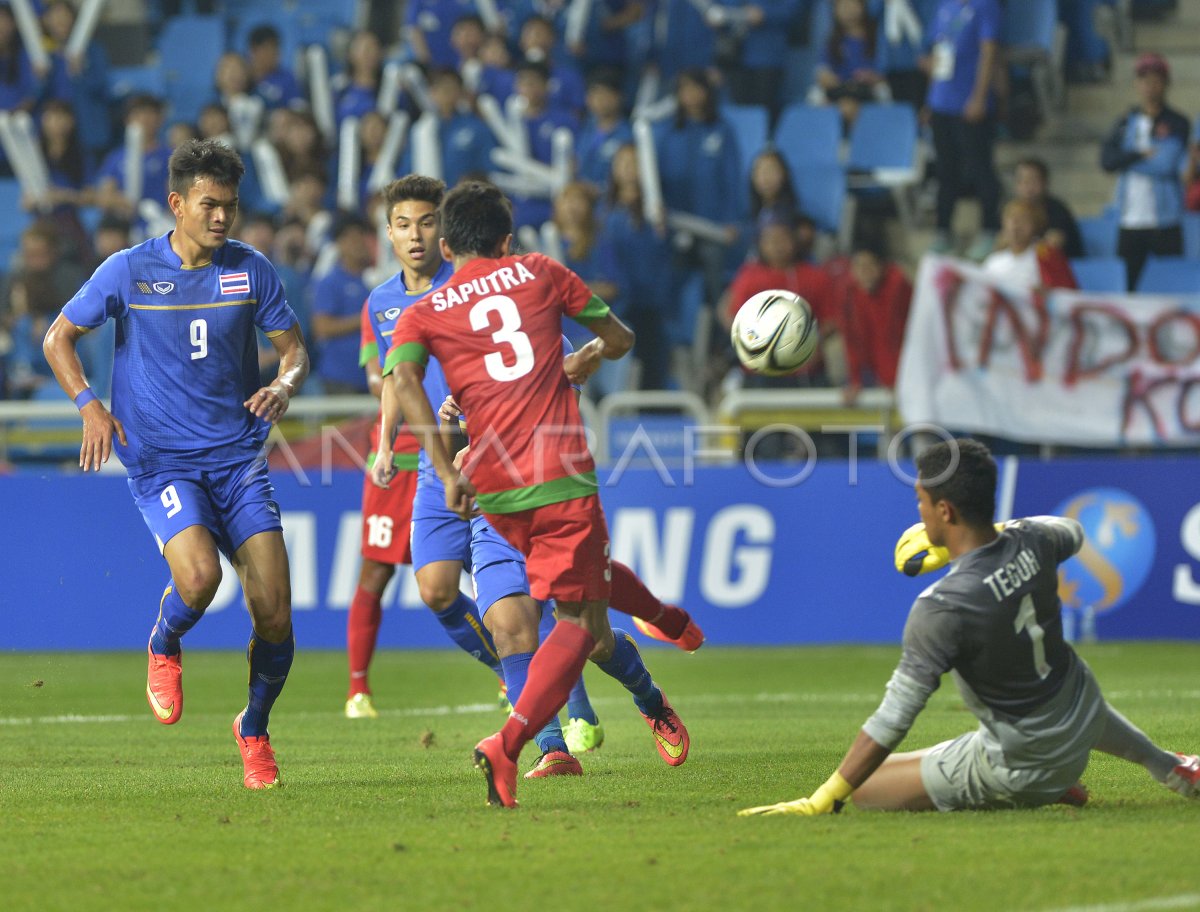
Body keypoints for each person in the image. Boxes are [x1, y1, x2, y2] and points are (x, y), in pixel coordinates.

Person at [372, 181, 695, 806]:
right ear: (508, 240)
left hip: (522, 478)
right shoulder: (538, 273)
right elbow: (618, 339)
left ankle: (651, 697)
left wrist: (445, 465)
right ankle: (548, 748)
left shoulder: (430, 312)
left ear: (444, 242)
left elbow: (407, 382)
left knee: (592, 636)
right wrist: (589, 358)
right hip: (507, 490)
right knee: (516, 629)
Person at [739, 438, 1200, 817]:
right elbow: (1073, 533)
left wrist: (824, 797)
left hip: (1026, 764)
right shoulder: (1034, 540)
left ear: (945, 512)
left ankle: (1039, 789)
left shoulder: (942, 607)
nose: (917, 512)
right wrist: (985, 533)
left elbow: (894, 717)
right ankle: (1167, 765)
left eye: (920, 501)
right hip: (1081, 714)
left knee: (869, 789)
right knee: (1058, 689)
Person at [41, 139, 309, 790]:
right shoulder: (129, 271)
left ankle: (253, 728)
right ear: (177, 204)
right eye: (209, 205)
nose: (222, 218)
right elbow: (57, 337)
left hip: (238, 459)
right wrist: (89, 406)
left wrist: (285, 384)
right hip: (162, 463)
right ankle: (164, 642)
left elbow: (294, 349)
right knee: (198, 581)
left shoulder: (250, 271)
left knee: (274, 612)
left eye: (231, 206)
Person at [1100, 52, 1189, 291]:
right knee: (1128, 286)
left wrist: (1127, 158)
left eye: (1156, 80)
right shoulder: (1124, 122)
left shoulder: (1177, 122)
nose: (1150, 86)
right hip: (1129, 218)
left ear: (1166, 83)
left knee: (1172, 284)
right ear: (1136, 84)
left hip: (1165, 219)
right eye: (1144, 80)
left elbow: (1167, 164)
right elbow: (1107, 161)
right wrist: (1139, 154)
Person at [924, 0, 1002, 260]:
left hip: (969, 103)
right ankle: (943, 231)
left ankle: (990, 229)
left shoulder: (986, 6)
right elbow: (939, 51)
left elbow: (988, 52)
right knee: (946, 169)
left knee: (980, 167)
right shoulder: (944, 6)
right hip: (941, 103)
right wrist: (929, 99)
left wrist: (979, 97)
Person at [309, 213, 373, 395]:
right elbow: (322, 327)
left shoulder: (375, 279)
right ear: (339, 244)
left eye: (362, 236)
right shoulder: (330, 282)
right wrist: (368, 318)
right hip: (340, 378)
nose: (359, 242)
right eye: (351, 237)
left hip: (373, 376)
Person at [981, 199, 1078, 291]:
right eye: (1011, 219)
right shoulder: (993, 261)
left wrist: (1047, 294)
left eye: (1023, 219)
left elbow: (1067, 294)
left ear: (1036, 225)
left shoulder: (1047, 256)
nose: (1016, 225)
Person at [1013, 158, 1084, 259]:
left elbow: (1055, 242)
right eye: (1022, 181)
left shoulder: (1057, 209)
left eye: (1033, 180)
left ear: (1045, 182)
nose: (1028, 187)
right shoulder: (1011, 210)